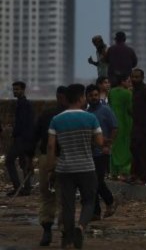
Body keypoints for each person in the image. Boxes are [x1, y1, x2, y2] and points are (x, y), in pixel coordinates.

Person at [47, 83, 103, 249]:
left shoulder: (56, 120)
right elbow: (100, 142)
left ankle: (68, 237)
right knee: (89, 201)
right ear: (81, 98)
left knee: (68, 204)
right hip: (86, 167)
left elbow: (51, 147)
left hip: (65, 168)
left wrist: (51, 168)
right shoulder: (91, 118)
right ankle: (81, 227)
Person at [34, 86, 69, 246]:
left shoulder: (46, 114)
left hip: (46, 159)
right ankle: (63, 232)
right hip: (66, 159)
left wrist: (28, 159)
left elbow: (34, 137)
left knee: (47, 196)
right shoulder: (73, 116)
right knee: (64, 197)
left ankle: (47, 230)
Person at [85, 85, 117, 220]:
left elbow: (115, 128)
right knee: (91, 184)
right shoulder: (86, 113)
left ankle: (110, 201)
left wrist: (108, 144)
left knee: (97, 181)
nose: (94, 98)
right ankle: (95, 212)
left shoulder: (106, 110)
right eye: (91, 95)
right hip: (89, 153)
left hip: (102, 152)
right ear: (86, 97)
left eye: (96, 95)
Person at [5, 81, 34, 196]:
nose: (15, 91)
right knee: (23, 163)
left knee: (9, 160)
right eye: (14, 89)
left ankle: (18, 188)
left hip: (22, 138)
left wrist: (18, 136)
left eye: (17, 89)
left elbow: (24, 124)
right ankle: (26, 189)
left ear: (23, 90)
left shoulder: (24, 104)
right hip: (24, 138)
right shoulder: (21, 103)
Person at [107, 76, 133, 179]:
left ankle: (113, 172)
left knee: (115, 148)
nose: (130, 83)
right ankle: (124, 171)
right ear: (122, 82)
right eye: (128, 81)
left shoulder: (111, 92)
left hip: (113, 123)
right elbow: (131, 109)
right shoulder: (128, 93)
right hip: (126, 124)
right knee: (126, 149)